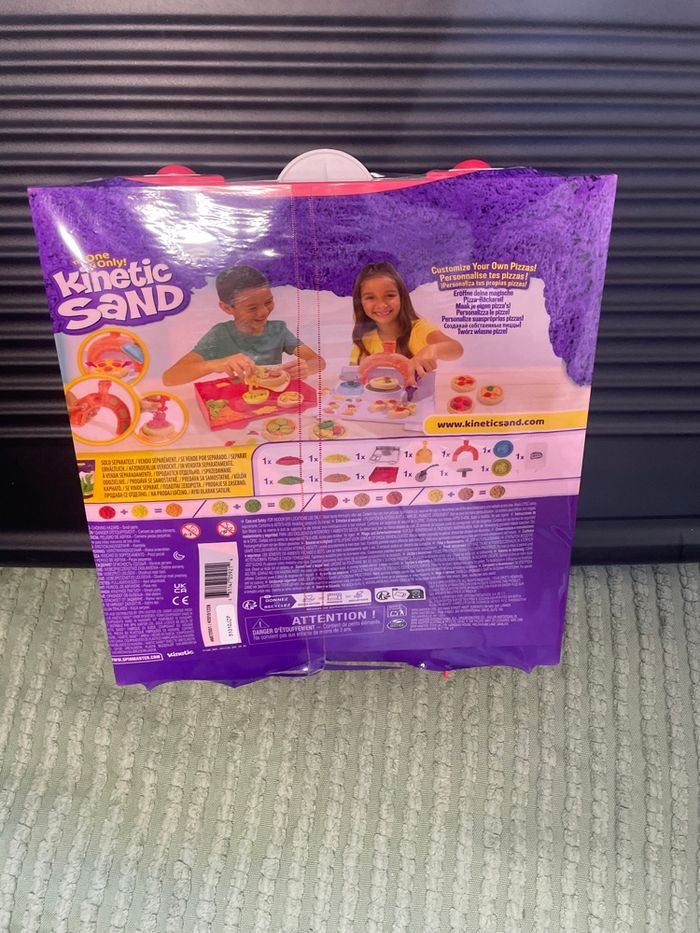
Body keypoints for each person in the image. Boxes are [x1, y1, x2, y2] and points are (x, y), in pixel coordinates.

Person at [163, 264, 324, 385]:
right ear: (227, 308)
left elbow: (319, 362)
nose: (263, 312)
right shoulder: (220, 334)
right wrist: (215, 364)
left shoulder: (278, 330)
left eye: (268, 302)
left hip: (274, 401)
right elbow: (169, 378)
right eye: (252, 308)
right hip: (235, 403)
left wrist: (307, 368)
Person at [350, 261, 463, 381]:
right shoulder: (364, 339)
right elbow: (352, 380)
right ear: (360, 302)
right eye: (370, 298)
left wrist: (431, 350)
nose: (382, 305)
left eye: (390, 295)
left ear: (402, 297)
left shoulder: (419, 329)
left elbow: (456, 349)